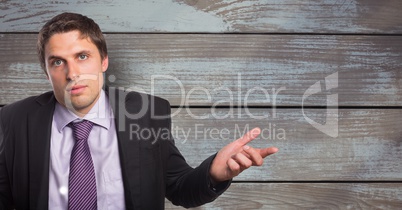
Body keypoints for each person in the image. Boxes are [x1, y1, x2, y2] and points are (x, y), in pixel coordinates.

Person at [0, 12, 278, 209]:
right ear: (46, 71)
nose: (72, 73)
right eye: (57, 62)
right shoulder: (13, 120)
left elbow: (180, 188)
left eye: (82, 57)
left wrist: (214, 173)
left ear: (104, 61)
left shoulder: (147, 113)